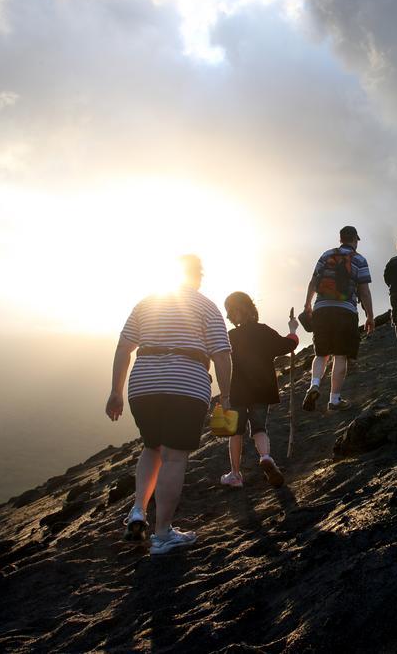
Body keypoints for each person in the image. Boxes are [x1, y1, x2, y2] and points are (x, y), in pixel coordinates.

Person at [105, 254, 231, 555]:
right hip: (186, 385)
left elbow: (124, 347)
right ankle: (162, 534)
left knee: (152, 447)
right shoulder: (207, 306)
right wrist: (226, 396)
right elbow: (222, 354)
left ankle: (138, 510)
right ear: (198, 276)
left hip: (142, 385)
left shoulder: (147, 303)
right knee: (175, 457)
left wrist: (115, 392)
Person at [221, 292, 299, 489]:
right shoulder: (263, 331)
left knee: (234, 432)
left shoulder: (229, 336)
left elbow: (220, 360)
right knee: (259, 428)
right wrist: (293, 329)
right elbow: (288, 345)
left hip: (237, 389)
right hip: (263, 388)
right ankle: (266, 457)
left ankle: (235, 475)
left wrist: (223, 394)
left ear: (232, 314)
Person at [302, 225, 374, 412]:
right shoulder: (359, 259)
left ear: (340, 239)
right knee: (340, 355)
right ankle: (334, 399)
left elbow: (313, 281)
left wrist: (307, 304)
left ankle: (314, 384)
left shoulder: (326, 255)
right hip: (345, 311)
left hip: (322, 309)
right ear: (355, 240)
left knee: (321, 353)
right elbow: (364, 292)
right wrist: (370, 316)